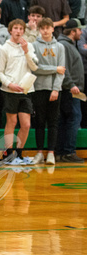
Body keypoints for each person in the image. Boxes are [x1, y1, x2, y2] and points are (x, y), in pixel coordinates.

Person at [0, 19, 38, 165]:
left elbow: (34, 67)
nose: (19, 31)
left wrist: (26, 51)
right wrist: (10, 84)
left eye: (21, 28)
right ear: (10, 30)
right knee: (12, 122)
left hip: (26, 90)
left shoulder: (29, 46)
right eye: (16, 28)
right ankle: (8, 154)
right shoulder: (4, 48)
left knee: (26, 124)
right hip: (10, 90)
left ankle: (19, 154)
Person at [31, 18, 65, 166]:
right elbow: (36, 68)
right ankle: (39, 152)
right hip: (39, 88)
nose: (45, 31)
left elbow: (61, 70)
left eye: (48, 28)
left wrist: (56, 89)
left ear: (52, 29)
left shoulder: (60, 47)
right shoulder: (34, 46)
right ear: (39, 30)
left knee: (53, 122)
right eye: (42, 28)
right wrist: (54, 69)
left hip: (54, 90)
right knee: (39, 121)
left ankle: (51, 153)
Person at [57, 19, 84, 162]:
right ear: (73, 31)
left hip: (70, 89)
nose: (81, 32)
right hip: (70, 89)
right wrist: (71, 84)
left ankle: (61, 151)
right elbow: (63, 67)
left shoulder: (68, 45)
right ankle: (67, 151)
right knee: (74, 118)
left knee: (65, 120)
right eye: (79, 30)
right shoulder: (64, 45)